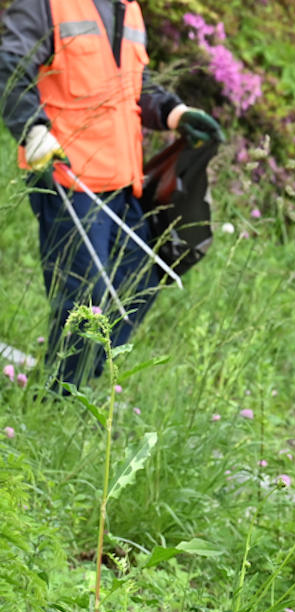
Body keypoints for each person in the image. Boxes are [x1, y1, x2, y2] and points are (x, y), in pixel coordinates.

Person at [1, 0, 221, 390]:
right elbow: (9, 68)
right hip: (67, 176)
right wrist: (32, 129)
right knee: (86, 297)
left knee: (145, 274)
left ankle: (75, 381)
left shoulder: (129, 9)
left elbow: (137, 87)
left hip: (121, 179)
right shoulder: (46, 4)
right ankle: (60, 399)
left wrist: (176, 114)